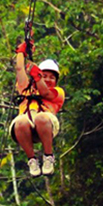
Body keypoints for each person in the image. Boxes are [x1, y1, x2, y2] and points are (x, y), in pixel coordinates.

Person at [10, 39, 65, 177]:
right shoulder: (27, 89)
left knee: (41, 117)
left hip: (46, 124)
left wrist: (38, 77)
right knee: (20, 121)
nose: (47, 79)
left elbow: (45, 92)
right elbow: (19, 69)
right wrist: (21, 52)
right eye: (44, 76)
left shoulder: (58, 92)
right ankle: (32, 160)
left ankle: (48, 156)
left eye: (51, 77)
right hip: (27, 125)